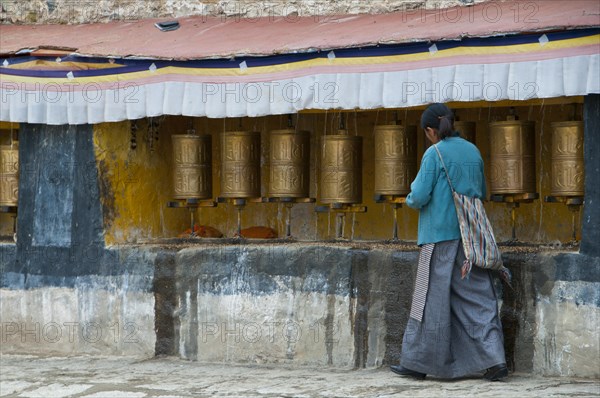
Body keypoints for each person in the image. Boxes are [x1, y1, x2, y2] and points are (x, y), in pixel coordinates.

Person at [390, 103, 508, 381]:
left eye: (426, 132)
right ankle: (494, 361)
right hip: (472, 240)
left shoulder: (435, 153)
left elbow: (418, 195)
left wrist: (407, 200)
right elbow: (480, 190)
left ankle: (418, 364)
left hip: (439, 238)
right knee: (478, 299)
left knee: (430, 301)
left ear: (430, 130)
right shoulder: (473, 150)